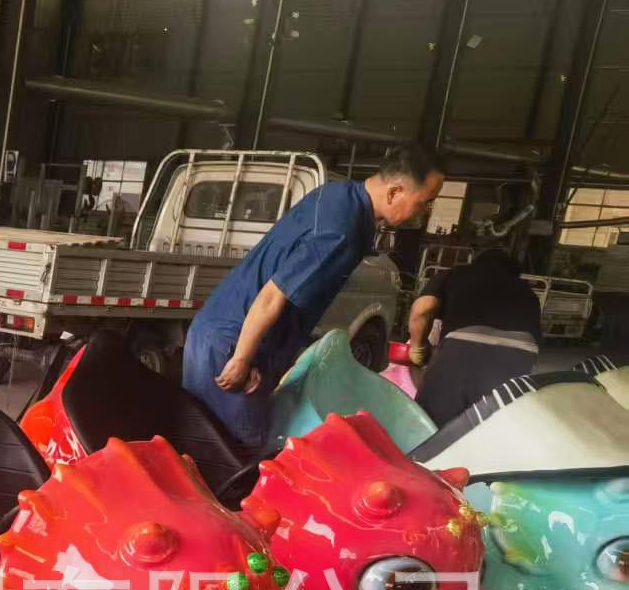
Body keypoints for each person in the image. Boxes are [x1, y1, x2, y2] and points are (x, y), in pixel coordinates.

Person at [182, 144, 446, 449]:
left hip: (224, 332)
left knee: (203, 444)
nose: (424, 213)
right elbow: (272, 296)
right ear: (394, 192)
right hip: (233, 343)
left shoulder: (338, 195)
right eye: (424, 202)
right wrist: (242, 358)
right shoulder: (342, 230)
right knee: (231, 453)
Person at [406, 247, 541, 427]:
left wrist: (417, 348)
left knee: (428, 422)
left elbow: (423, 309)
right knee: (491, 425)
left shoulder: (455, 274)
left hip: (465, 344)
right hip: (523, 352)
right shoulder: (527, 291)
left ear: (475, 263)